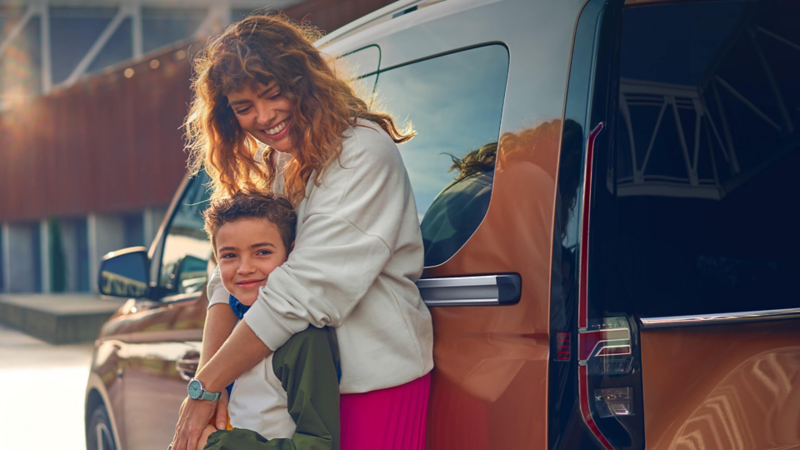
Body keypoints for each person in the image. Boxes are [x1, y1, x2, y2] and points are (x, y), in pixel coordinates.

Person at [171, 13, 434, 450]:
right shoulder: (282, 161)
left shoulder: (361, 153)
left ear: (303, 82)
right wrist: (209, 382)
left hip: (370, 382)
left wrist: (209, 385)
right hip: (295, 391)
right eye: (243, 107)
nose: (264, 117)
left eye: (274, 95)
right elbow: (226, 276)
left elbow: (305, 287)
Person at [193, 191, 341, 450]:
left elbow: (319, 444)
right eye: (229, 255)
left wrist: (217, 444)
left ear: (292, 253)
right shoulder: (231, 331)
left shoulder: (305, 341)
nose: (245, 268)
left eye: (262, 252)